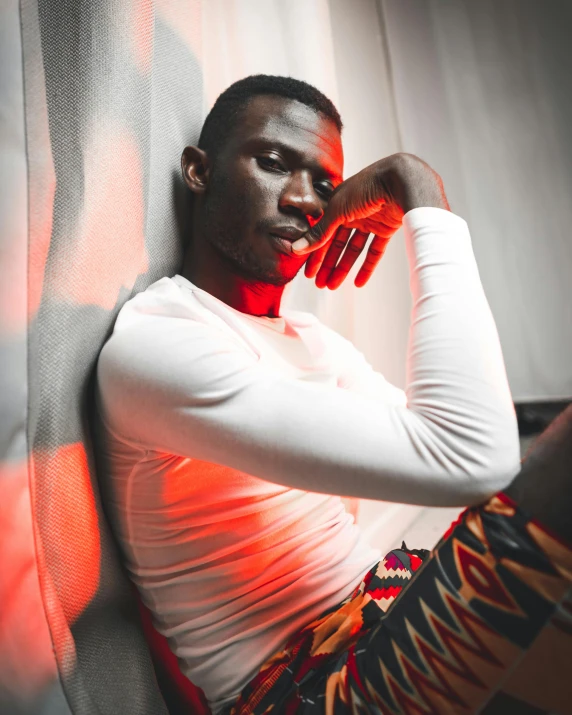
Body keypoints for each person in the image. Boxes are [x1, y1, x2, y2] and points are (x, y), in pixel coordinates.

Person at [95, 75, 572, 714]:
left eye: (325, 184)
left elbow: (469, 459)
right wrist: (422, 194)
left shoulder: (311, 339)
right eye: (271, 163)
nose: (302, 199)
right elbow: (472, 457)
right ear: (199, 172)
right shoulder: (157, 344)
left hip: (385, 613)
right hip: (306, 690)